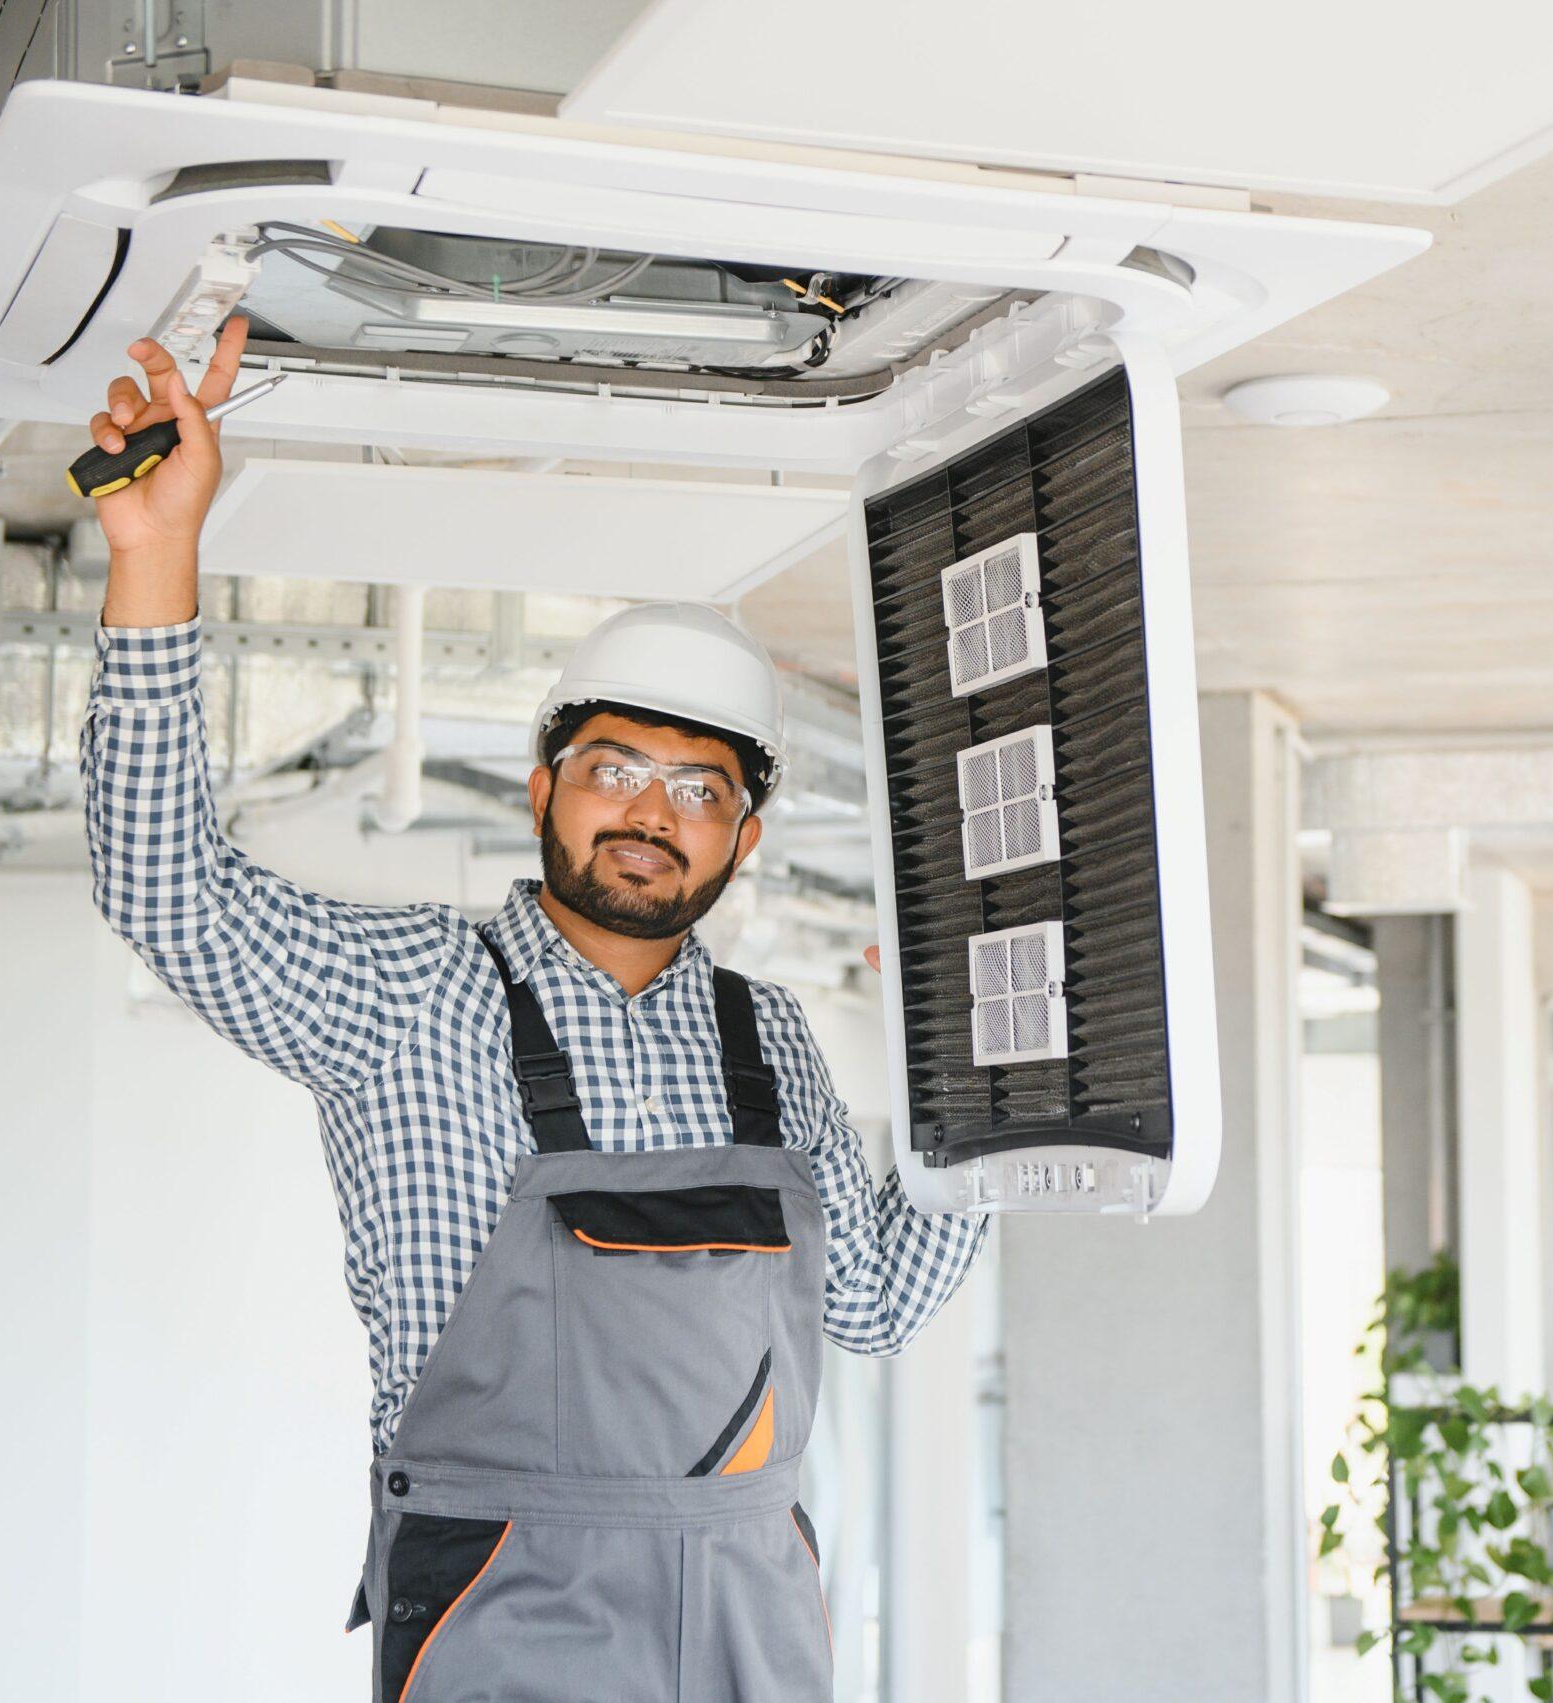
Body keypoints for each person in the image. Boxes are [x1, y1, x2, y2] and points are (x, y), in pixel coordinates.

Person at [77, 317, 987, 1700]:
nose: (651, 815)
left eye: (700, 792)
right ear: (543, 785)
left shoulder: (771, 1038)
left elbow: (861, 1304)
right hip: (507, 1589)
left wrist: (1017, 1119)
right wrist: (155, 560)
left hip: (752, 1591)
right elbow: (168, 893)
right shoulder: (406, 993)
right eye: (616, 766)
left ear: (744, 840)